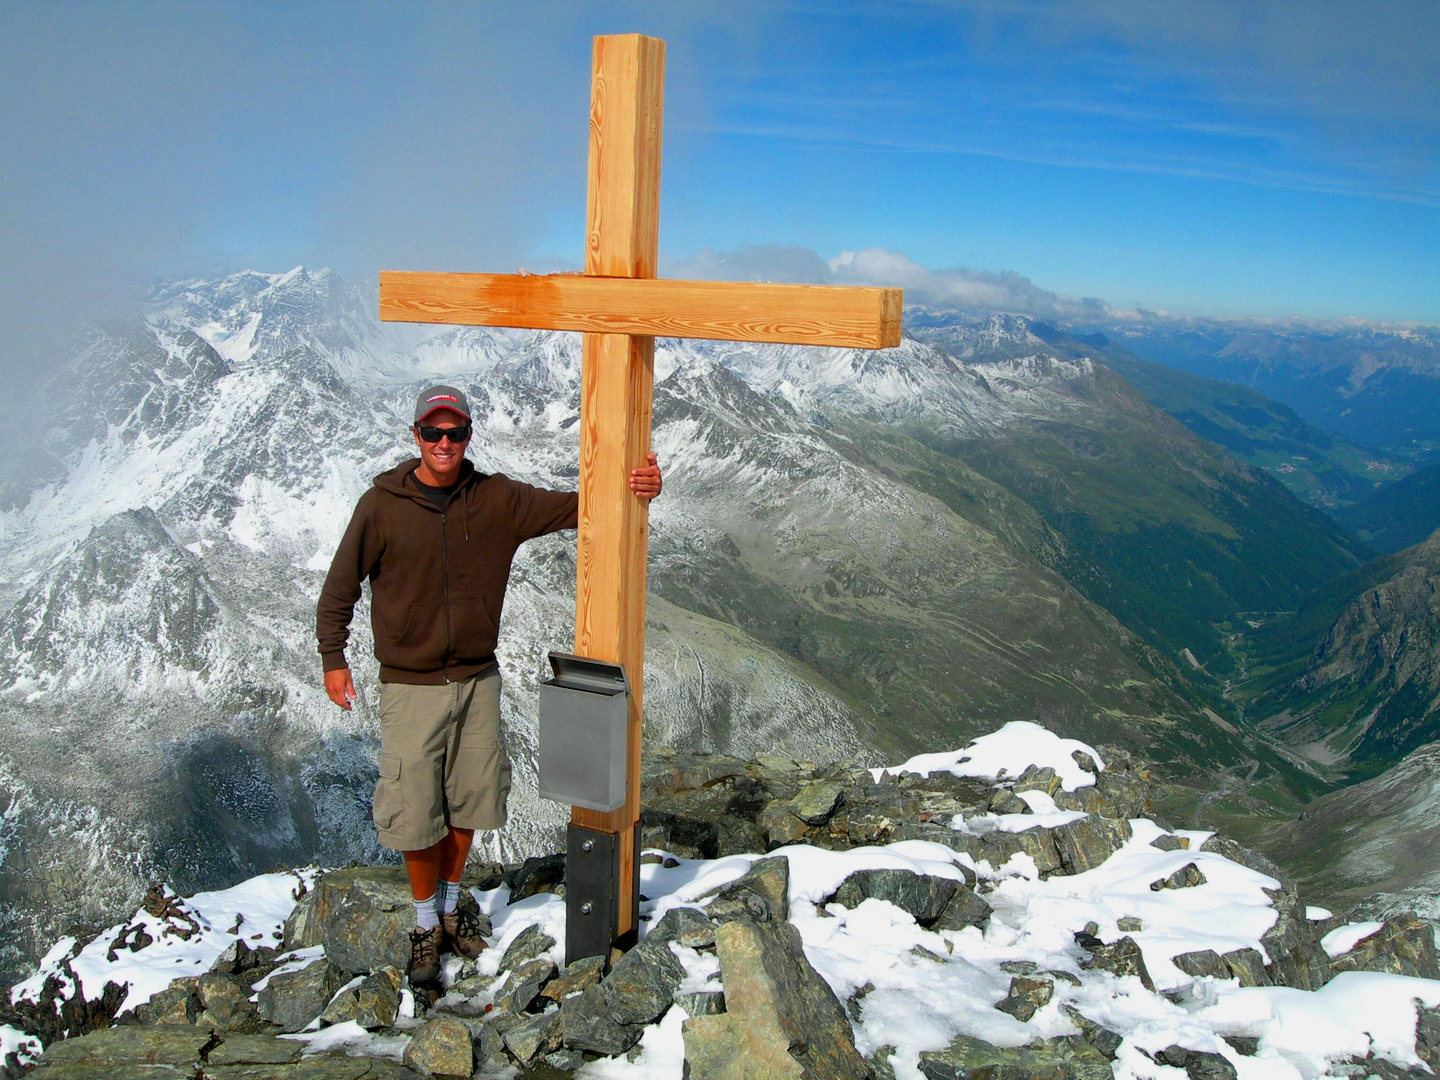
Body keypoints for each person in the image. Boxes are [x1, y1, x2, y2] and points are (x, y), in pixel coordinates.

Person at [316, 384, 661, 985]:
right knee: (413, 805)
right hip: (411, 684)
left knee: (469, 798)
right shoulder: (382, 505)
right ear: (415, 437)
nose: (443, 443)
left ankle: (450, 909)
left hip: (478, 676)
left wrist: (642, 487)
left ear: (468, 436)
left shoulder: (495, 499)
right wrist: (333, 657)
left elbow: (582, 505)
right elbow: (340, 585)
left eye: (454, 433)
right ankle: (426, 924)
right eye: (432, 432)